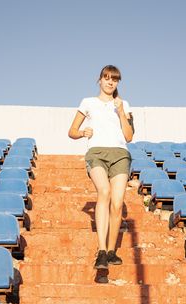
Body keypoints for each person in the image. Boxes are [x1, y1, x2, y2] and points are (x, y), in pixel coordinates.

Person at [68, 65, 134, 269]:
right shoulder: (87, 102)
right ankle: (102, 251)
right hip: (96, 152)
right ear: (100, 80)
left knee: (117, 203)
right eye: (106, 78)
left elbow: (129, 136)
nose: (110, 82)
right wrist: (82, 133)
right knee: (103, 191)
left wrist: (121, 112)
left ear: (118, 83)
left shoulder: (125, 104)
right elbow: (72, 131)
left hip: (120, 154)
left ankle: (112, 251)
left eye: (114, 79)